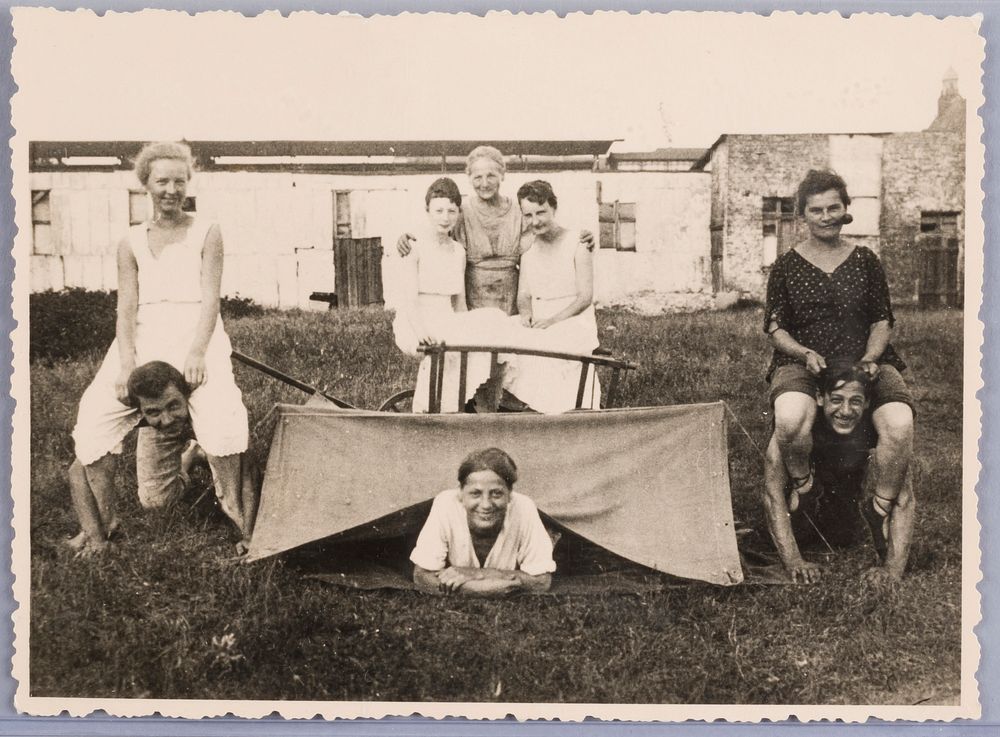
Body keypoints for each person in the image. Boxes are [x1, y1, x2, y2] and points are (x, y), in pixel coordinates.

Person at [66, 142, 254, 556]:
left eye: (179, 181)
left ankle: (243, 522)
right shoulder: (130, 241)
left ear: (188, 183)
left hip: (197, 332)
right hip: (143, 333)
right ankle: (105, 522)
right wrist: (127, 361)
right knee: (95, 418)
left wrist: (198, 351)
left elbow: (210, 300)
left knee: (223, 421)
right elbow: (127, 306)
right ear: (146, 185)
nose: (171, 189)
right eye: (161, 181)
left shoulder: (208, 230)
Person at [762, 169, 915, 580]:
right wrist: (803, 352)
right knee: (791, 417)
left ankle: (878, 506)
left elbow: (883, 319)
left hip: (866, 360)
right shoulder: (786, 266)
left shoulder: (865, 260)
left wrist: (871, 357)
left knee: (899, 424)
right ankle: (805, 486)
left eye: (834, 207)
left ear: (847, 210)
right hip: (804, 363)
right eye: (816, 210)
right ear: (802, 215)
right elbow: (776, 327)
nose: (826, 216)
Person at [763, 361, 915, 584]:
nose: (845, 411)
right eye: (836, 400)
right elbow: (771, 491)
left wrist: (892, 571)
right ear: (820, 398)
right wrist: (794, 562)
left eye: (855, 401)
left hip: (847, 464)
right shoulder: (800, 425)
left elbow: (905, 497)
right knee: (799, 525)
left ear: (867, 403)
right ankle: (807, 490)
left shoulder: (876, 423)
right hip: (808, 466)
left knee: (841, 535)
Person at [397, 145, 594, 314]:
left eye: (491, 175)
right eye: (477, 177)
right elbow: (436, 232)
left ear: (502, 175)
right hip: (472, 302)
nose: (484, 183)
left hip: (512, 300)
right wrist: (406, 238)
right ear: (469, 178)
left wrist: (580, 237)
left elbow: (547, 230)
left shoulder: (520, 212)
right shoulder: (461, 213)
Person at [391, 177, 511, 412]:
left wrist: (468, 326)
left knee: (495, 320)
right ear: (427, 211)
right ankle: (430, 408)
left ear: (458, 213)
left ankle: (472, 400)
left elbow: (460, 304)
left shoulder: (458, 251)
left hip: (447, 317)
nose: (445, 218)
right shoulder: (414, 246)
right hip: (416, 322)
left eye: (451, 211)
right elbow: (409, 300)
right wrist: (421, 332)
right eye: (438, 211)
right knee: (449, 344)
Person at [500, 180, 601, 413]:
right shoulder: (529, 251)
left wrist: (552, 321)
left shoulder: (578, 242)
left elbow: (585, 297)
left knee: (548, 343)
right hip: (540, 317)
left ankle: (555, 408)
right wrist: (526, 314)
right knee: (506, 332)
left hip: (573, 318)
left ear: (554, 208)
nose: (535, 221)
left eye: (541, 212)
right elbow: (524, 294)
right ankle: (524, 403)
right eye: (528, 215)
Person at [411, 448, 556, 596]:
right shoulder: (446, 503)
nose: (486, 505)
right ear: (461, 493)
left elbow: (542, 581)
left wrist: (478, 574)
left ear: (510, 494)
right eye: (475, 493)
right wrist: (479, 589)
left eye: (496, 493)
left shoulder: (524, 507)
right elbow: (421, 576)